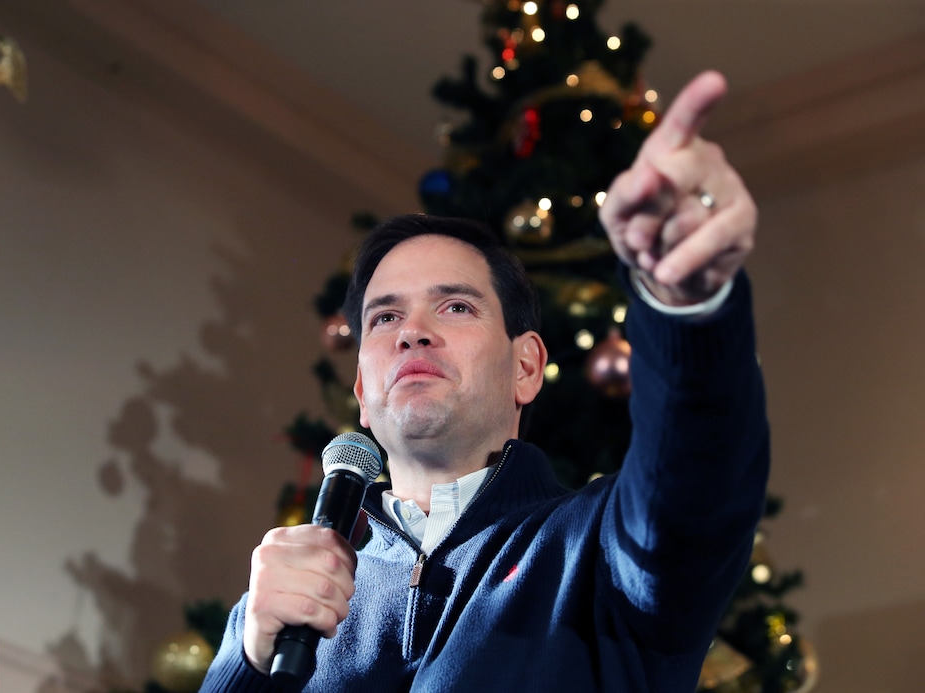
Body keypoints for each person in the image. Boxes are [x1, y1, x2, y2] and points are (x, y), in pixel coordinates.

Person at [201, 70, 768, 691]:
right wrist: (247, 661)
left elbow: (694, 473)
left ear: (526, 367)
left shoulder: (601, 550)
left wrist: (687, 305)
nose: (412, 333)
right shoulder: (279, 614)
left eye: (455, 306)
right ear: (361, 391)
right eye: (385, 317)